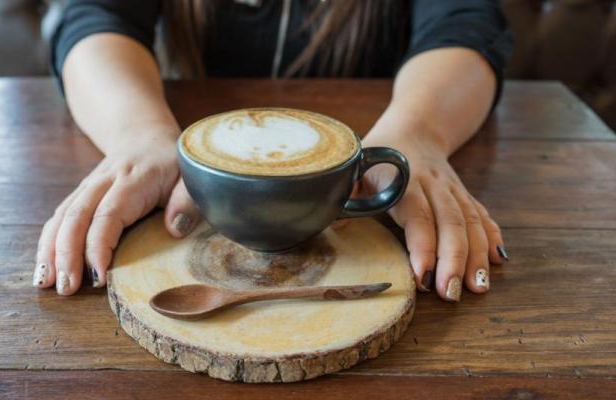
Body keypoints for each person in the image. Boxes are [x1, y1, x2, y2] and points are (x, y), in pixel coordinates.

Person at [33, 0, 512, 302]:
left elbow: (466, 20)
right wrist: (136, 132)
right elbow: (94, 15)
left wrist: (419, 132)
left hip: (384, 125)